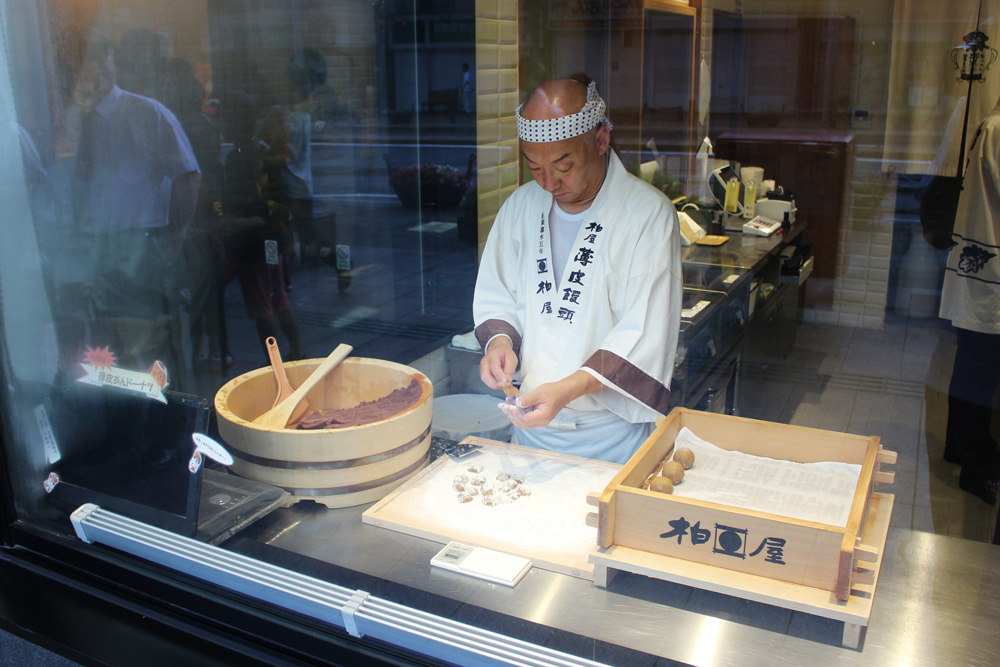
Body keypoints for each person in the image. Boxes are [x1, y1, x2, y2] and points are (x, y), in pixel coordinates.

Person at [473, 78, 682, 464]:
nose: (549, 183)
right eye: (534, 167)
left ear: (600, 141)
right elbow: (497, 291)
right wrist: (500, 344)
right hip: (530, 434)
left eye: (563, 166)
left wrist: (568, 389)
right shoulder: (520, 207)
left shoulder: (647, 215)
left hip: (610, 438)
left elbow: (644, 327)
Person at [51, 29, 201, 390]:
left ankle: (169, 434)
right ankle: (127, 426)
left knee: (154, 349)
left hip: (139, 249)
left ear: (113, 62)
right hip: (89, 251)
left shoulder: (146, 113)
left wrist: (171, 243)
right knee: (106, 351)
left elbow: (188, 176)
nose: (95, 70)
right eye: (85, 63)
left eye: (103, 59)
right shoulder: (69, 121)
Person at [939, 95, 1000, 505]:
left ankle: (960, 448)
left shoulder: (991, 123)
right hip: (989, 270)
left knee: (972, 365)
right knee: (980, 370)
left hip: (979, 266)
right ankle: (975, 467)